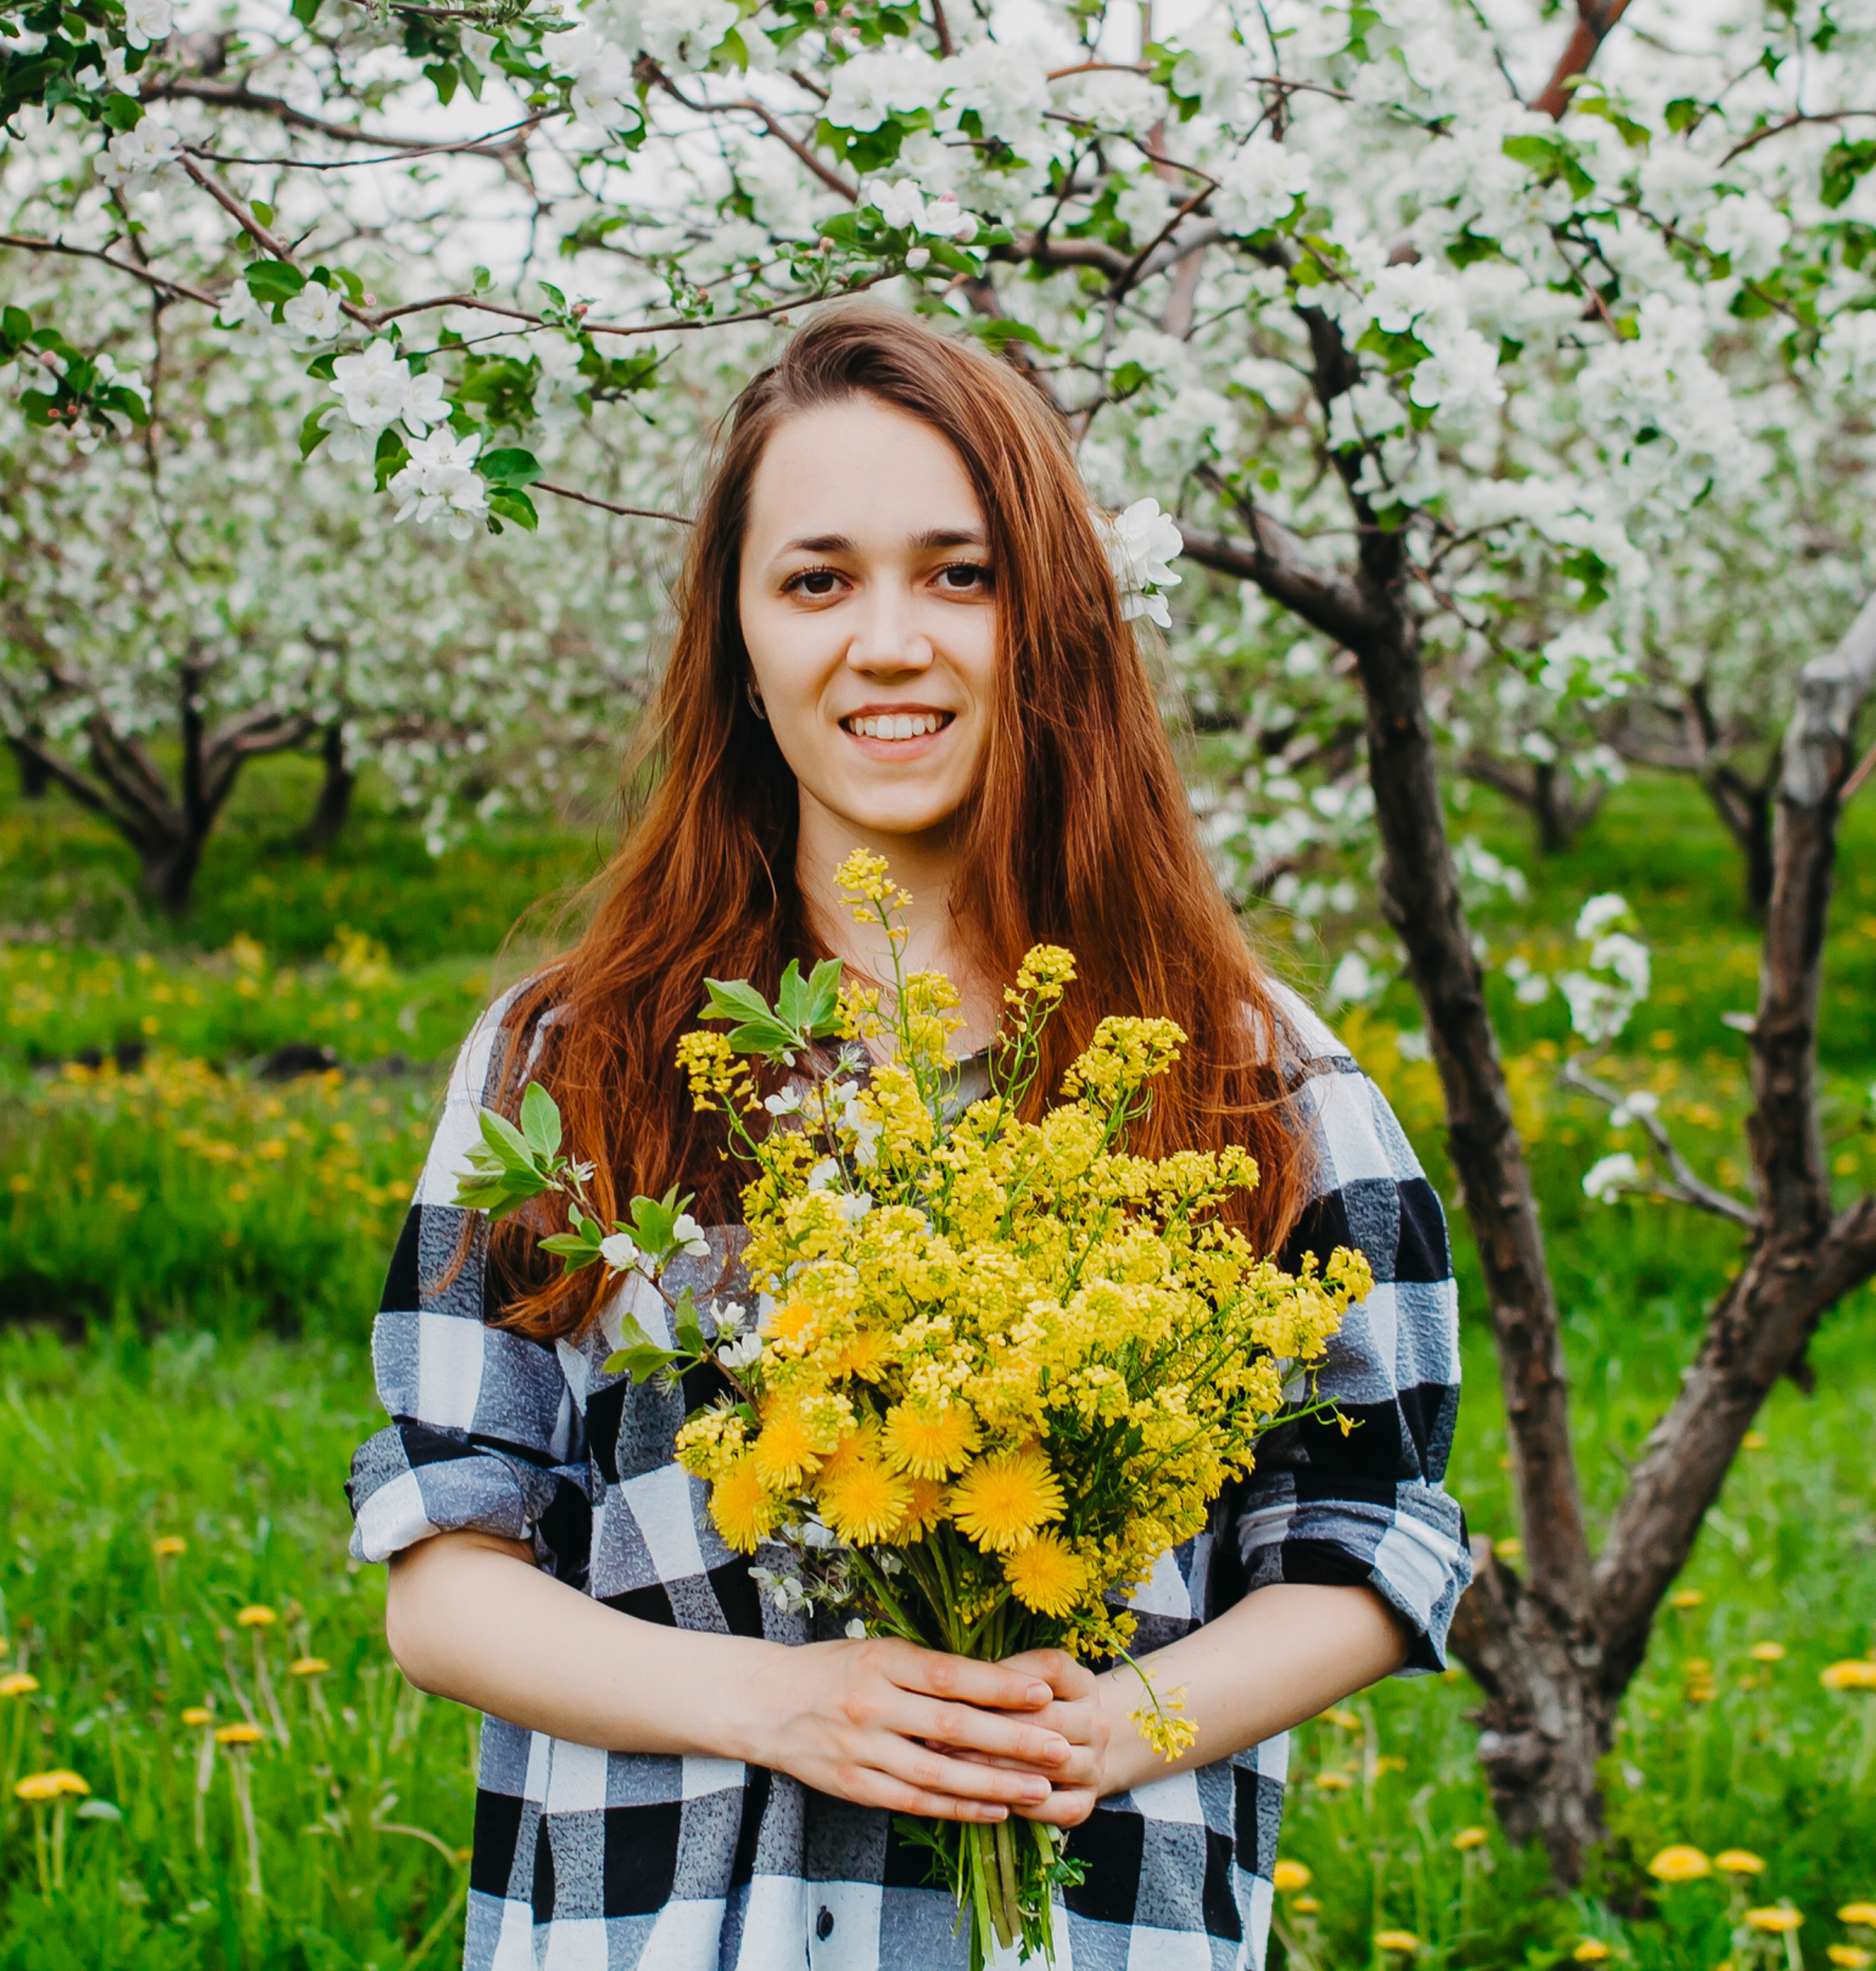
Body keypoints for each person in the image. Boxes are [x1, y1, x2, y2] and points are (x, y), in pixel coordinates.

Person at [347, 305, 1471, 1970]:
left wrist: (1115, 1724)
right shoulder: (566, 1061)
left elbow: (1370, 1542)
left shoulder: (1254, 1075)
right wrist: (780, 1703)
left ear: (1054, 623)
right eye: (816, 579)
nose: (889, 641)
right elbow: (444, 1567)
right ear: (735, 636)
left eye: (961, 574)